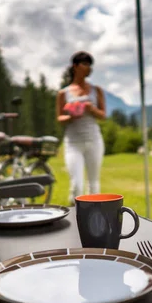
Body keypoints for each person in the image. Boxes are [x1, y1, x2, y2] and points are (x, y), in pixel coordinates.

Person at [56, 51, 107, 205]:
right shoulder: (63, 93)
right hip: (73, 143)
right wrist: (71, 115)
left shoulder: (96, 90)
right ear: (75, 66)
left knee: (94, 185)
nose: (88, 68)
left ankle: (94, 220)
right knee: (77, 186)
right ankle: (74, 218)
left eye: (90, 65)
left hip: (94, 141)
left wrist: (92, 109)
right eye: (85, 64)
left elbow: (103, 115)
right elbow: (59, 118)